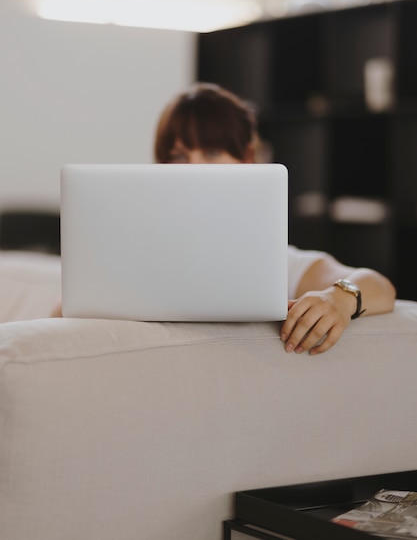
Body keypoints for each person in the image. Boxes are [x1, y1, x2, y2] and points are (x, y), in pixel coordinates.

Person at [153, 82, 396, 355]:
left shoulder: (278, 264)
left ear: (247, 158)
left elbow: (380, 286)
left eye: (211, 152)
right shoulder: (147, 254)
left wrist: (338, 298)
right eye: (178, 156)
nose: (194, 169)